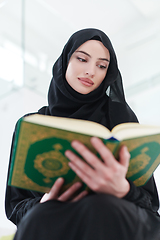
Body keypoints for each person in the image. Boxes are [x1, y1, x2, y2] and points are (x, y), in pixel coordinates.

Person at [5, 28, 160, 240]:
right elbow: (16, 207)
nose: (91, 71)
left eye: (102, 66)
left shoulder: (120, 116)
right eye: (82, 59)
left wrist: (123, 189)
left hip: (113, 212)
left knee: (101, 207)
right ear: (65, 61)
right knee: (39, 217)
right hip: (53, 216)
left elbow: (150, 205)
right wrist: (46, 200)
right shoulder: (33, 124)